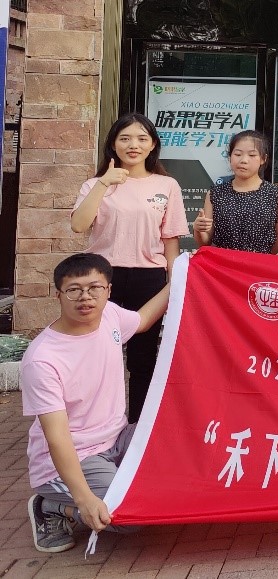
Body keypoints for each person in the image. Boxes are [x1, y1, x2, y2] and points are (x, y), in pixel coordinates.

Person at [21, 253, 172, 553]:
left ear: (108, 290)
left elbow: (143, 320)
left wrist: (181, 277)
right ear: (58, 295)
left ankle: (105, 487)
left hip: (117, 437)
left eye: (94, 288)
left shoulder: (110, 316)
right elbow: (57, 437)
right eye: (74, 290)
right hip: (74, 457)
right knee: (129, 515)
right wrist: (83, 500)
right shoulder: (42, 360)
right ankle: (50, 505)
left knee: (183, 450)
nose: (85, 297)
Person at [70, 112, 188, 424]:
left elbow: (171, 242)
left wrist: (173, 283)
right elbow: (79, 225)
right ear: (113, 144)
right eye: (124, 138)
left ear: (153, 145)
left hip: (149, 279)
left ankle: (137, 426)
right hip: (101, 278)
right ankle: (95, 424)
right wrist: (104, 184)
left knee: (142, 358)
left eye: (141, 138)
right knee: (96, 354)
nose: (133, 145)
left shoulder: (167, 185)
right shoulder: (95, 184)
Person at [192, 130, 278, 254]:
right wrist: (198, 230)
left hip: (260, 263)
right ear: (230, 157)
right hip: (223, 263)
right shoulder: (215, 193)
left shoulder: (274, 193)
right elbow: (205, 242)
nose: (244, 160)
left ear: (263, 159)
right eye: (237, 154)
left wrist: (262, 258)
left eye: (252, 155)